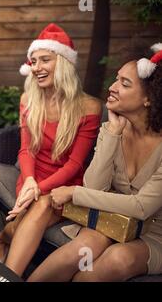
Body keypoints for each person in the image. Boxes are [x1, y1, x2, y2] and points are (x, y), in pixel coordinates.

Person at [28, 41, 162, 282]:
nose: (112, 87)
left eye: (125, 83)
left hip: (153, 234)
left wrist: (73, 192)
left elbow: (142, 207)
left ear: (148, 99)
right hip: (114, 222)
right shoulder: (111, 130)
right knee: (81, 249)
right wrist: (112, 132)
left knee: (117, 259)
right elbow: (94, 188)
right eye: (116, 79)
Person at [0, 23, 102, 277]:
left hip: (65, 186)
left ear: (62, 63)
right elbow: (26, 150)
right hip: (32, 177)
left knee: (40, 206)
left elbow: (74, 165)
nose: (36, 67)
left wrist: (39, 189)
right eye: (33, 61)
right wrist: (29, 181)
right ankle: (5, 250)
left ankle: (4, 250)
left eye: (44, 60)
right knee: (37, 203)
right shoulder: (29, 100)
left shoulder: (89, 107)